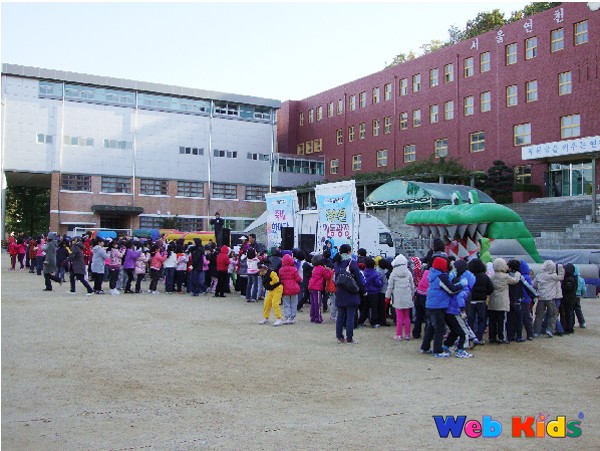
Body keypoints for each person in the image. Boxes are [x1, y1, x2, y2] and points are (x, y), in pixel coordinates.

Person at [420, 257, 466, 357]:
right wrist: (461, 285)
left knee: (431, 327)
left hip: (430, 305)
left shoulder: (432, 274)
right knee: (439, 328)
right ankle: (438, 350)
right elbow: (451, 290)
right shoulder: (441, 276)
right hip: (438, 306)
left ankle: (425, 347)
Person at [333, 243, 366, 344]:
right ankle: (349, 338)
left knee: (340, 315)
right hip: (351, 291)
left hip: (340, 291)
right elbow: (359, 278)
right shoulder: (352, 262)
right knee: (350, 316)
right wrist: (363, 290)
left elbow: (335, 278)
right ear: (349, 251)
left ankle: (339, 337)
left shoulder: (337, 263)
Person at [444, 259, 475, 358]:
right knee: (463, 332)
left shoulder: (454, 282)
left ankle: (445, 346)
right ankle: (461, 350)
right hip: (455, 311)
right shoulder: (464, 287)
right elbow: (460, 298)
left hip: (448, 310)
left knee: (454, 331)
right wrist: (463, 310)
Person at [488, 258, 521, 344]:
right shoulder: (505, 277)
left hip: (492, 301)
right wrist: (517, 274)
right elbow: (515, 281)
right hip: (502, 302)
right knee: (502, 321)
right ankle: (501, 337)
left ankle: (492, 337)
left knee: (492, 321)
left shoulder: (492, 276)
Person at [385, 254, 414, 341]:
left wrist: (387, 297)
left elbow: (390, 287)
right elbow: (412, 285)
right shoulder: (408, 272)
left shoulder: (393, 273)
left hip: (397, 296)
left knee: (399, 316)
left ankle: (399, 335)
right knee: (407, 316)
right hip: (407, 295)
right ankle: (407, 334)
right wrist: (412, 294)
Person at [532, 260, 564, 338]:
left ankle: (536, 332)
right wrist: (561, 269)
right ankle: (550, 330)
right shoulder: (552, 276)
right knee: (553, 314)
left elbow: (534, 285)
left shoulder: (539, 275)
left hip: (541, 298)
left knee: (539, 316)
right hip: (550, 298)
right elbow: (561, 277)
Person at [467, 258, 494, 345]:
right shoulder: (484, 277)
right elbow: (491, 288)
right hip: (481, 301)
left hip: (471, 301)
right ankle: (479, 337)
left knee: (470, 319)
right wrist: (486, 294)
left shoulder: (469, 276)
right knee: (482, 319)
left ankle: (471, 336)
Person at [279, 253, 303, 324]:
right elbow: (298, 279)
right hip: (294, 288)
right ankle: (292, 317)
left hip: (285, 288)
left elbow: (279, 278)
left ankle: (287, 317)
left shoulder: (281, 270)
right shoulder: (294, 269)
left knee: (286, 304)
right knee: (294, 303)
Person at [308, 254, 331, 324]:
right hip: (317, 287)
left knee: (313, 303)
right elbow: (327, 276)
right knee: (317, 303)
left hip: (311, 286)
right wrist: (329, 270)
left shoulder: (314, 268)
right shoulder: (321, 268)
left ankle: (312, 317)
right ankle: (318, 318)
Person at [363, 257, 384, 328]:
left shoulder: (363, 272)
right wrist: (381, 285)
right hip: (374, 292)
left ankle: (362, 320)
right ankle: (373, 322)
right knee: (374, 308)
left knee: (365, 307)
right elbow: (378, 283)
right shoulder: (375, 274)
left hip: (365, 292)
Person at [561, 263, 578, 334]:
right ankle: (569, 327)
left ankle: (569, 328)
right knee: (569, 313)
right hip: (569, 299)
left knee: (569, 314)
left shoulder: (570, 279)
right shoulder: (572, 278)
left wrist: (561, 286)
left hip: (569, 299)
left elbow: (568, 287)